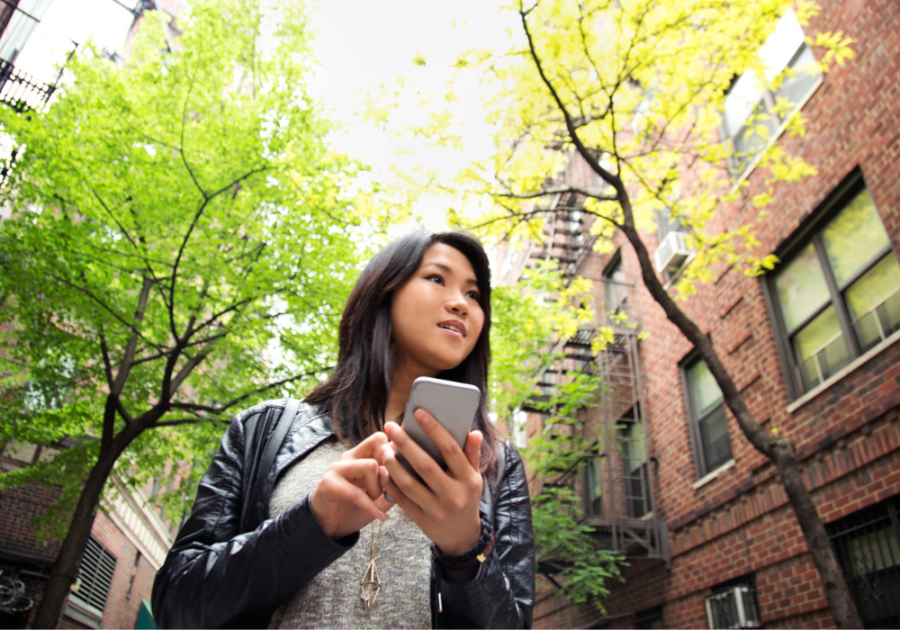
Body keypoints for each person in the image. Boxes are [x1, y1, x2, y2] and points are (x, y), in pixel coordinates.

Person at [151, 231, 535, 629]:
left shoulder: (497, 466)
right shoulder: (264, 430)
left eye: (474, 295)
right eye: (437, 278)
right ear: (383, 292)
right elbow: (175, 607)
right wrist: (312, 526)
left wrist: (466, 550)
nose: (461, 303)